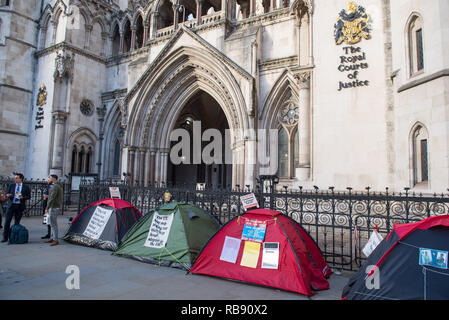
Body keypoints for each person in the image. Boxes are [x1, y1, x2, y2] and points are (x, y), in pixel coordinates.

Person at [2, 173, 31, 242]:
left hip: (19, 206)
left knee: (17, 222)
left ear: (21, 179)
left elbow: (29, 196)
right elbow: (6, 193)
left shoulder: (26, 187)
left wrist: (22, 197)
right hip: (11, 205)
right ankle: (5, 237)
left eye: (16, 178)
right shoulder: (11, 185)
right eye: (14, 178)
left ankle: (14, 236)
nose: (15, 179)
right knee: (7, 222)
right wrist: (7, 195)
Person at [43, 174, 63, 246]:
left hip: (54, 206)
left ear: (53, 179)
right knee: (51, 223)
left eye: (50, 178)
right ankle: (52, 237)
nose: (48, 179)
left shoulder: (55, 186)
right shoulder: (58, 186)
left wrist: (47, 207)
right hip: (55, 206)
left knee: (53, 224)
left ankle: (55, 239)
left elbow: (52, 198)